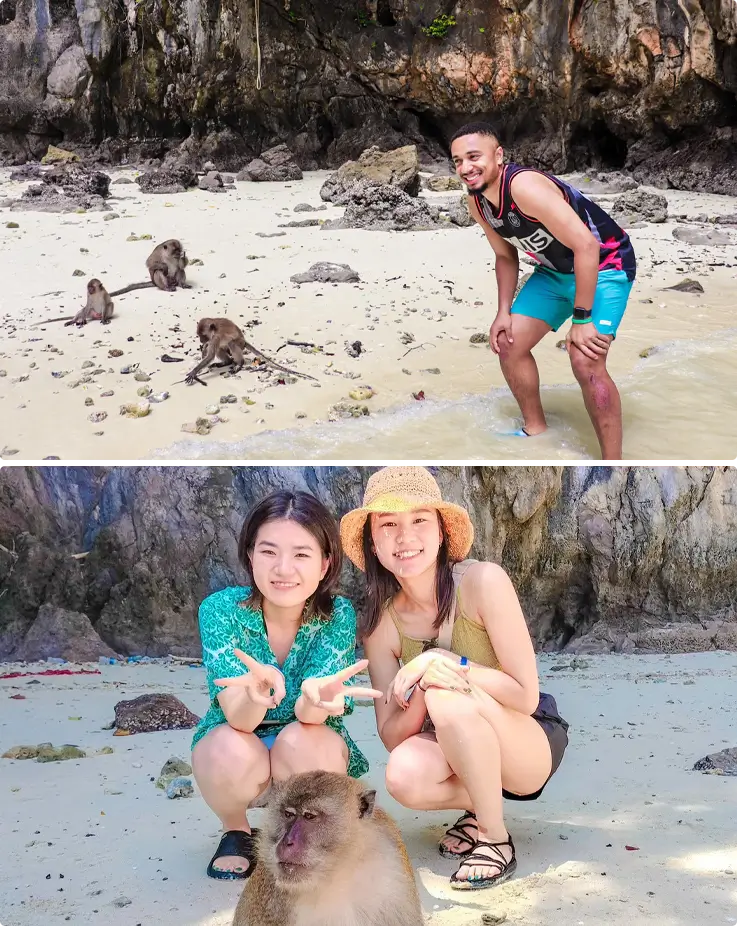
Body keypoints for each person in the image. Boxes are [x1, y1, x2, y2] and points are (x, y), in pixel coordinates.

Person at [340, 465, 569, 891]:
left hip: (525, 738)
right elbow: (392, 735)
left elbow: (525, 695)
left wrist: (445, 662)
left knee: (447, 695)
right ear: (372, 542)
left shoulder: (483, 582)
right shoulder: (381, 626)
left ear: (442, 532)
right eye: (388, 525)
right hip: (455, 742)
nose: (405, 537)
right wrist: (424, 687)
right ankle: (480, 806)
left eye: (419, 520)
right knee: (403, 775)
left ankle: (494, 838)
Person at [191, 490, 382, 880]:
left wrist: (317, 698)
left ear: (325, 563)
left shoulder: (337, 615)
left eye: (301, 554)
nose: (283, 568)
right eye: (268, 551)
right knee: (226, 746)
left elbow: (312, 716)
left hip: (307, 747)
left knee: (302, 737)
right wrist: (255, 694)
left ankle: (301, 832)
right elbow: (239, 719)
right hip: (242, 741)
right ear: (250, 554)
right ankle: (236, 830)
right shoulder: (220, 611)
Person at [450, 121, 637, 465]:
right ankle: (535, 430)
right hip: (554, 273)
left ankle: (614, 465)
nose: (465, 167)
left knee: (585, 357)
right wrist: (502, 312)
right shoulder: (478, 203)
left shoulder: (524, 188)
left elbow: (586, 246)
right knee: (509, 342)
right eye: (458, 161)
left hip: (605, 266)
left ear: (498, 155)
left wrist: (581, 320)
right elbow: (505, 256)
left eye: (474, 157)